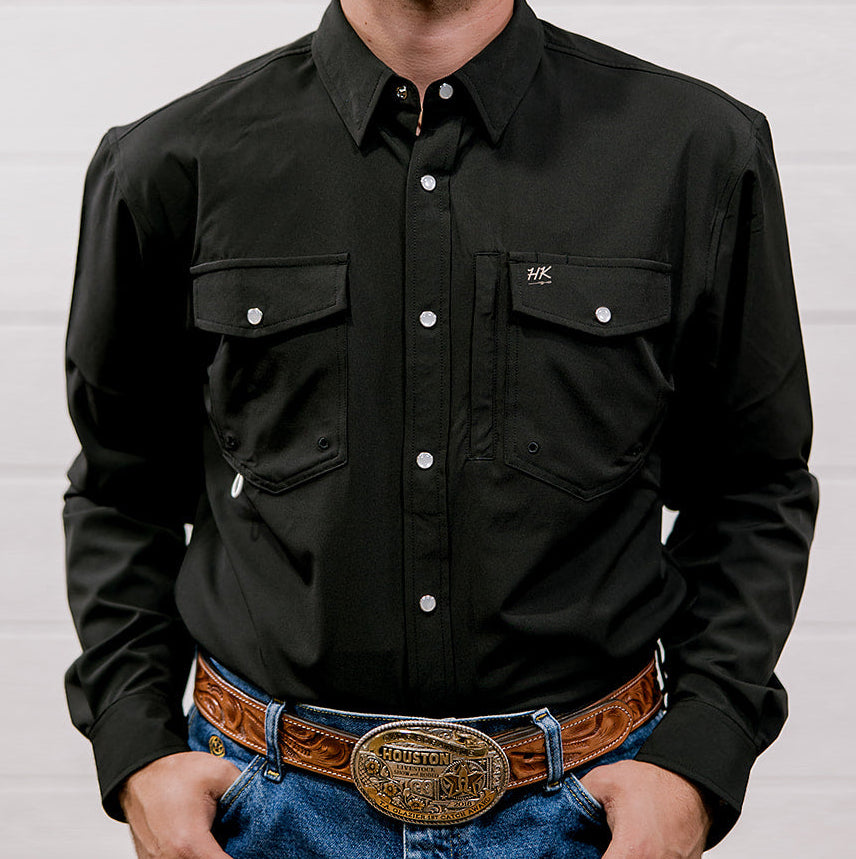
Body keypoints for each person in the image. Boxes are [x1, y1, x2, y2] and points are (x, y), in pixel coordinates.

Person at [62, 0, 819, 856]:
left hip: (590, 818)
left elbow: (755, 488)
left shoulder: (697, 152)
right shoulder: (169, 162)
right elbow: (121, 493)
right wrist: (139, 750)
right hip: (261, 818)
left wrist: (694, 761)